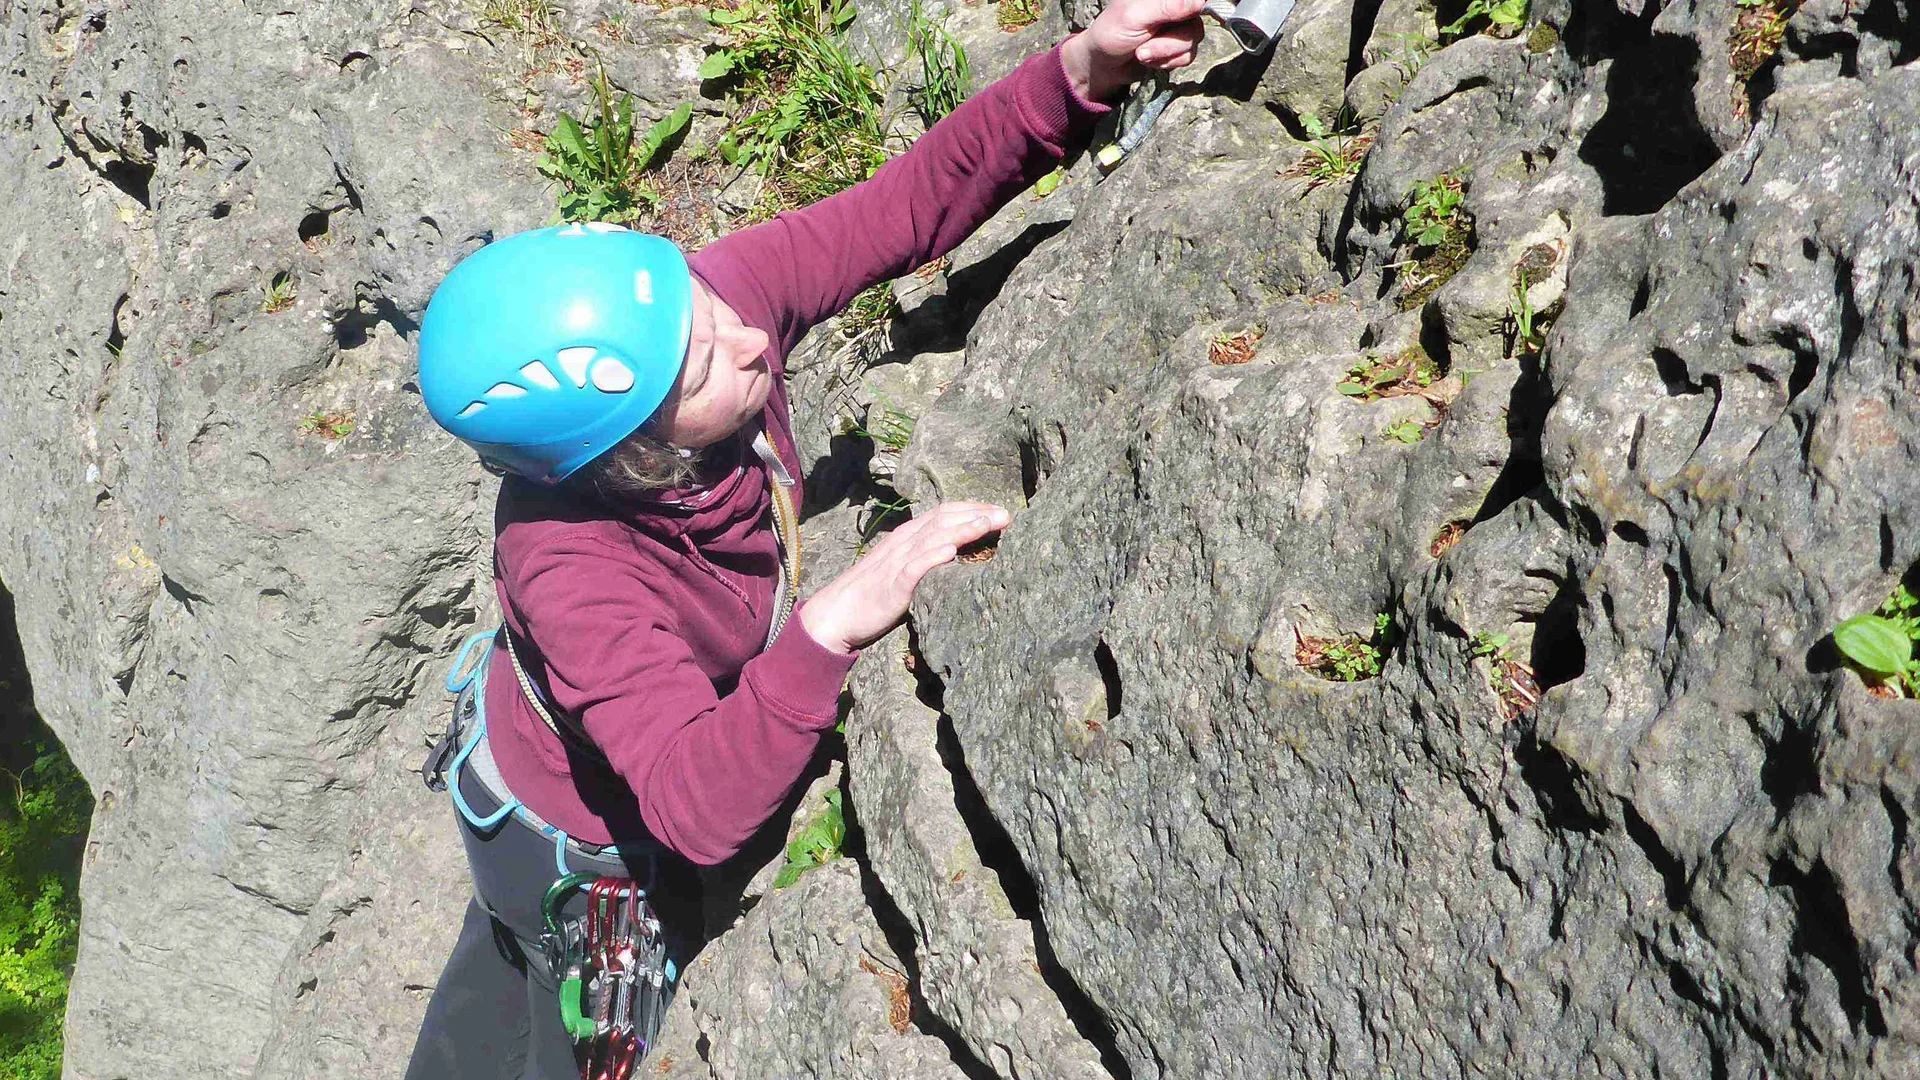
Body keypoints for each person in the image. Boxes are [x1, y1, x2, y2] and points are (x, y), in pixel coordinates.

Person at [404, 0, 1208, 1075]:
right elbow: (692, 810)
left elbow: (898, 211)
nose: (746, 337)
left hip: (554, 775)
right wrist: (832, 620)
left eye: (700, 300)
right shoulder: (570, 566)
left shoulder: (707, 316)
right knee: (582, 1026)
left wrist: (1081, 70)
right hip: (583, 844)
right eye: (696, 368)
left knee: (499, 996)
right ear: (625, 450)